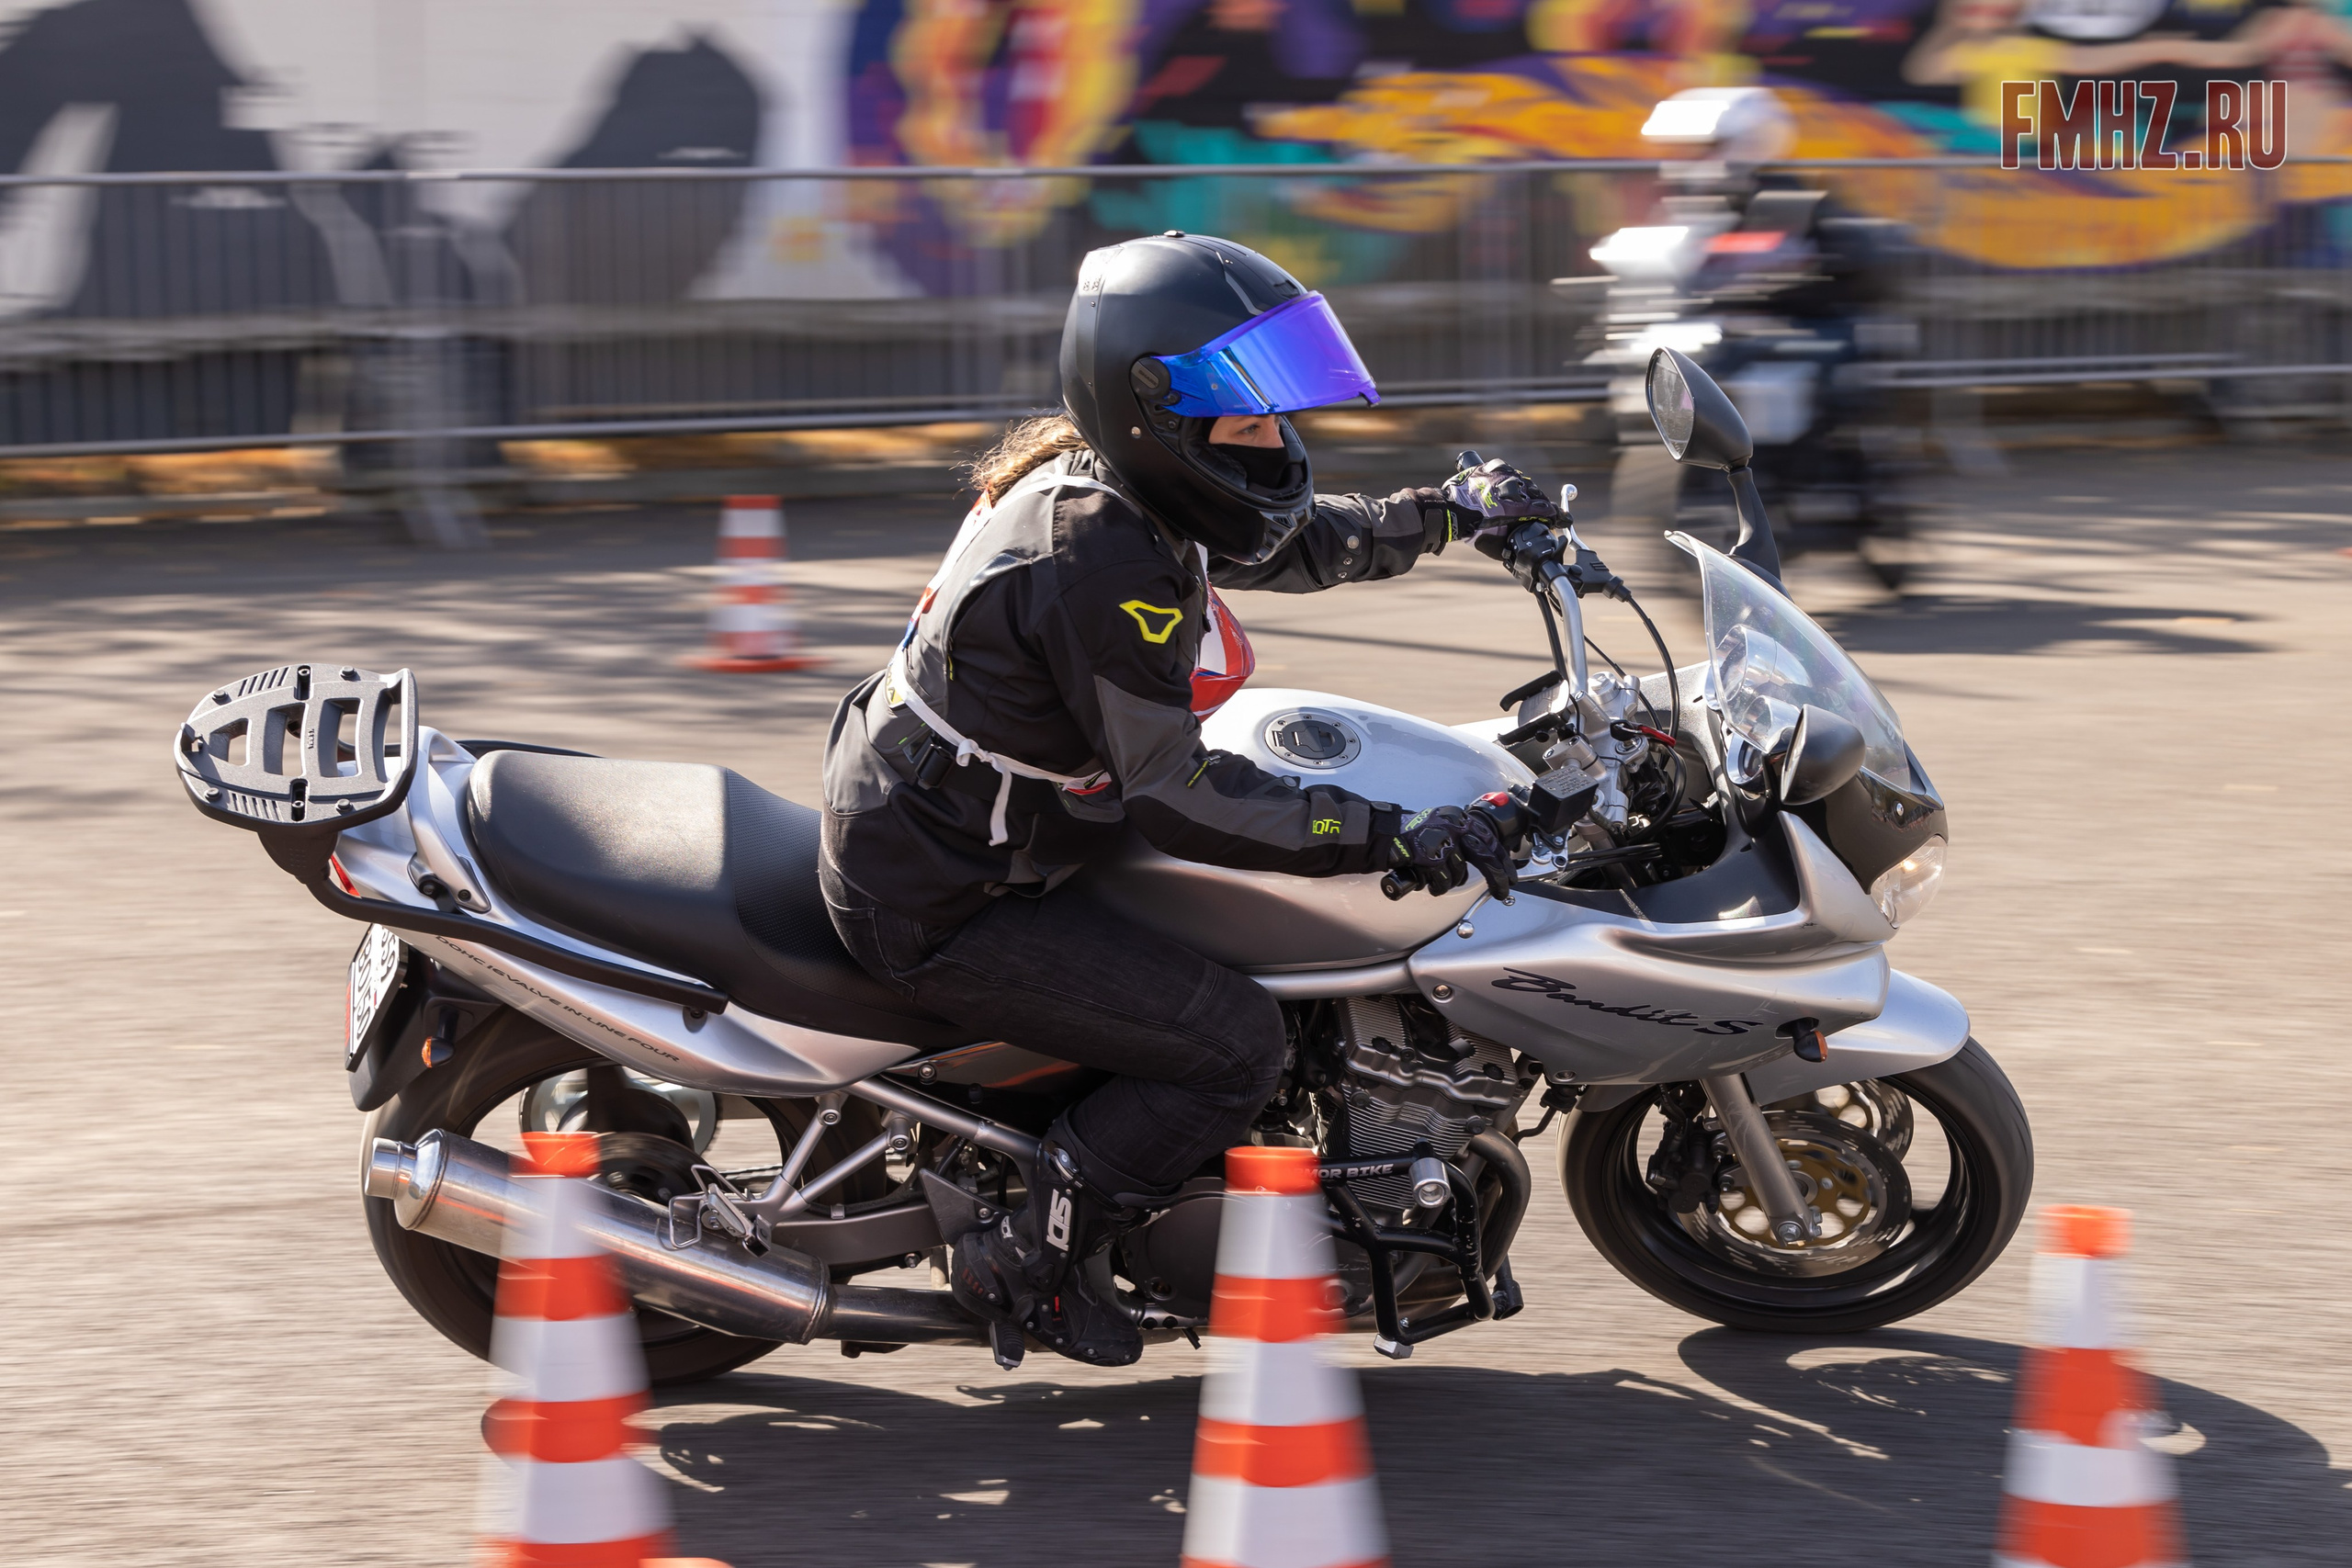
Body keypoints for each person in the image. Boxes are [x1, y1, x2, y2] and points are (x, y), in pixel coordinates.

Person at [818, 231, 1550, 1367]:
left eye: (1277, 414)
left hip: (974, 825)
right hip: (947, 888)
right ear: (1156, 408)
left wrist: (1451, 513)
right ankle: (1033, 1254)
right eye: (1250, 419)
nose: (1278, 441)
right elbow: (1178, 794)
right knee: (1230, 1044)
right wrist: (1393, 836)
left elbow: (1302, 538)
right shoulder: (1100, 554)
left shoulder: (1125, 488)